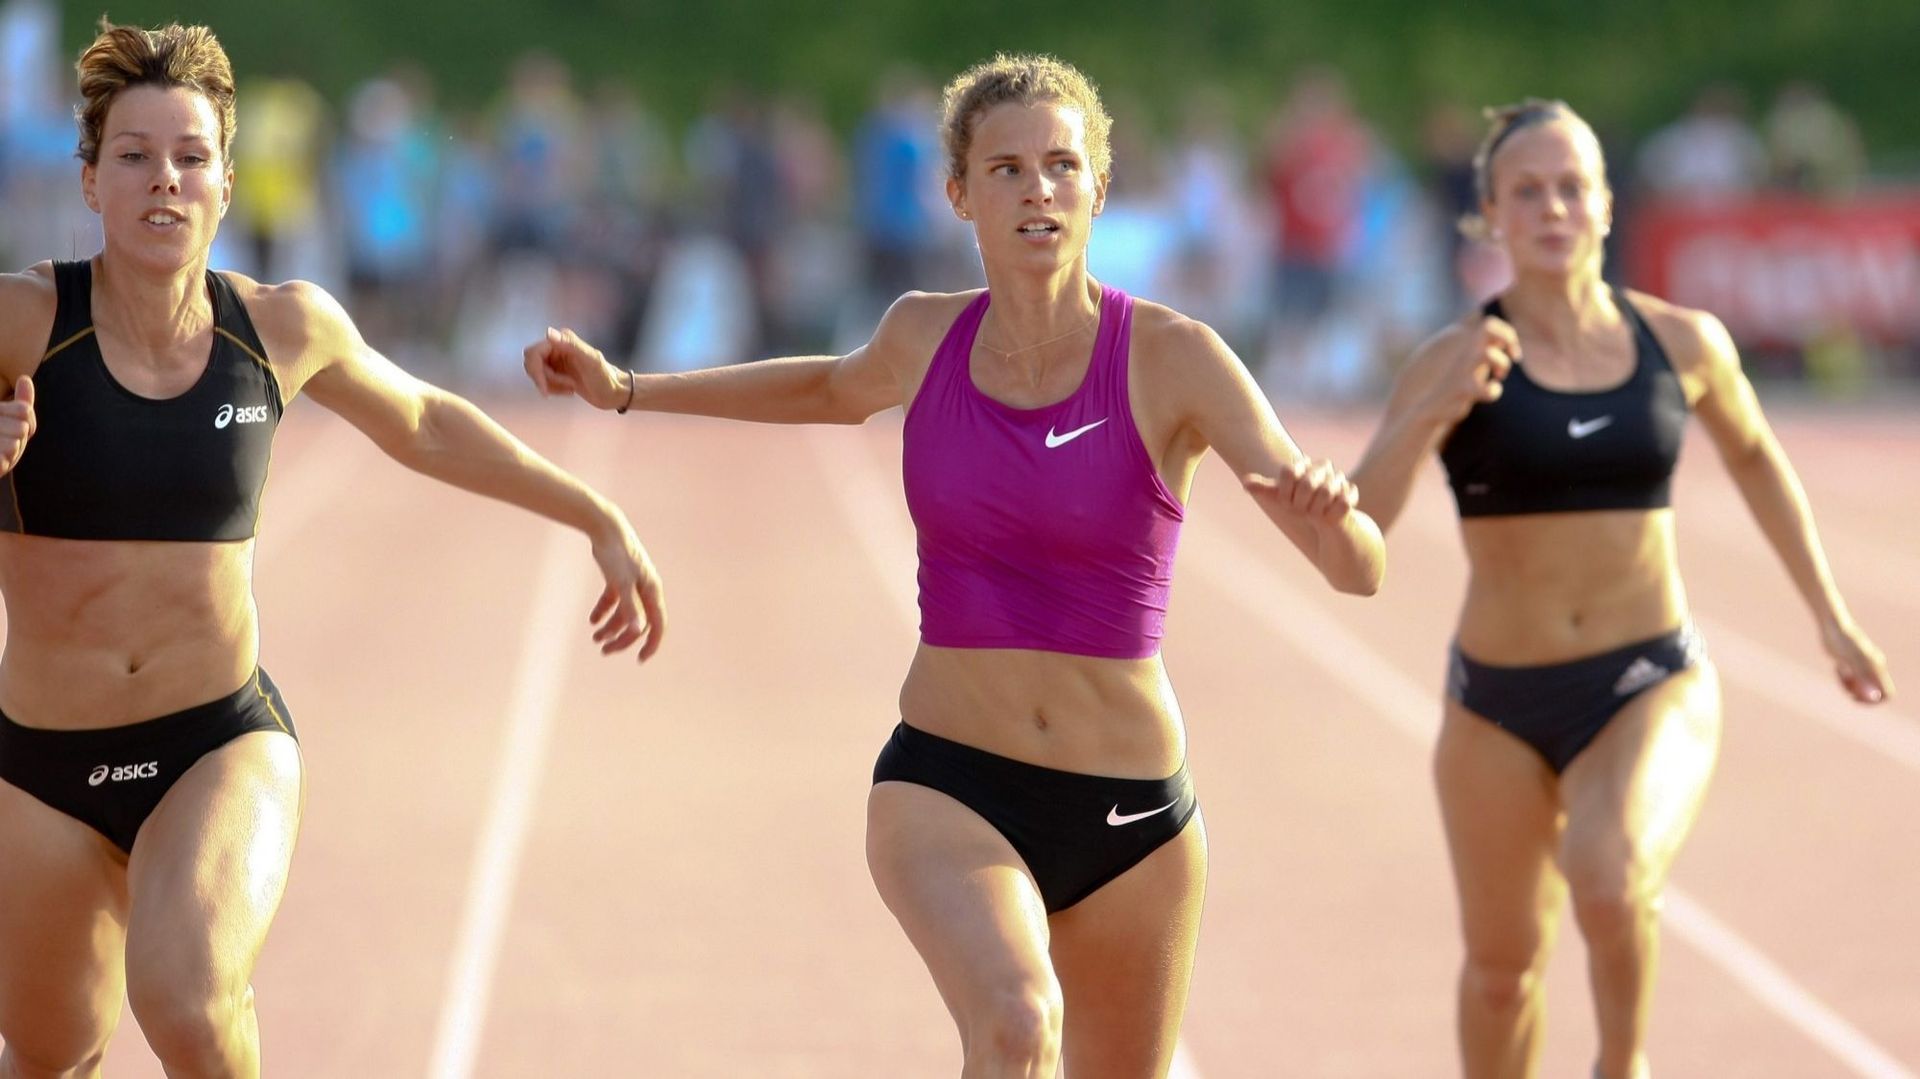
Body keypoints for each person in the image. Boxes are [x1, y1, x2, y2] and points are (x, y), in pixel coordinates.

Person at [528, 52, 1383, 1078]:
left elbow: (1356, 570)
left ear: (1099, 190)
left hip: (1135, 817)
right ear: (959, 194)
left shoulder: (1175, 357)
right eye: (1008, 168)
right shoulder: (923, 336)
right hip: (951, 781)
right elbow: (825, 389)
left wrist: (1336, 515)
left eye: (1063, 166)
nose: (1038, 189)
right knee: (1018, 1021)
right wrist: (627, 388)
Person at [0, 21, 665, 1077]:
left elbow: (427, 419)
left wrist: (594, 511)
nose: (163, 181)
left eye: (190, 158)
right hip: (38, 766)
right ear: (89, 182)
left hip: (210, 743)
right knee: (49, 1054)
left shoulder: (281, 328)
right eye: (133, 156)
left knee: (188, 1001)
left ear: (227, 184)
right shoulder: (21, 323)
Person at [1348, 99, 1893, 1079]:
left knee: (1608, 873)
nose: (1552, 206)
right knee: (1502, 969)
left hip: (1646, 679)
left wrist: (1832, 616)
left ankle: (1622, 1064)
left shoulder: (1684, 344)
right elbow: (1357, 536)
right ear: (1491, 213)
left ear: (1605, 204)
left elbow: (1761, 460)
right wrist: (1434, 407)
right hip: (1496, 703)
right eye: (1528, 190)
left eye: (1572, 186)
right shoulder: (1454, 356)